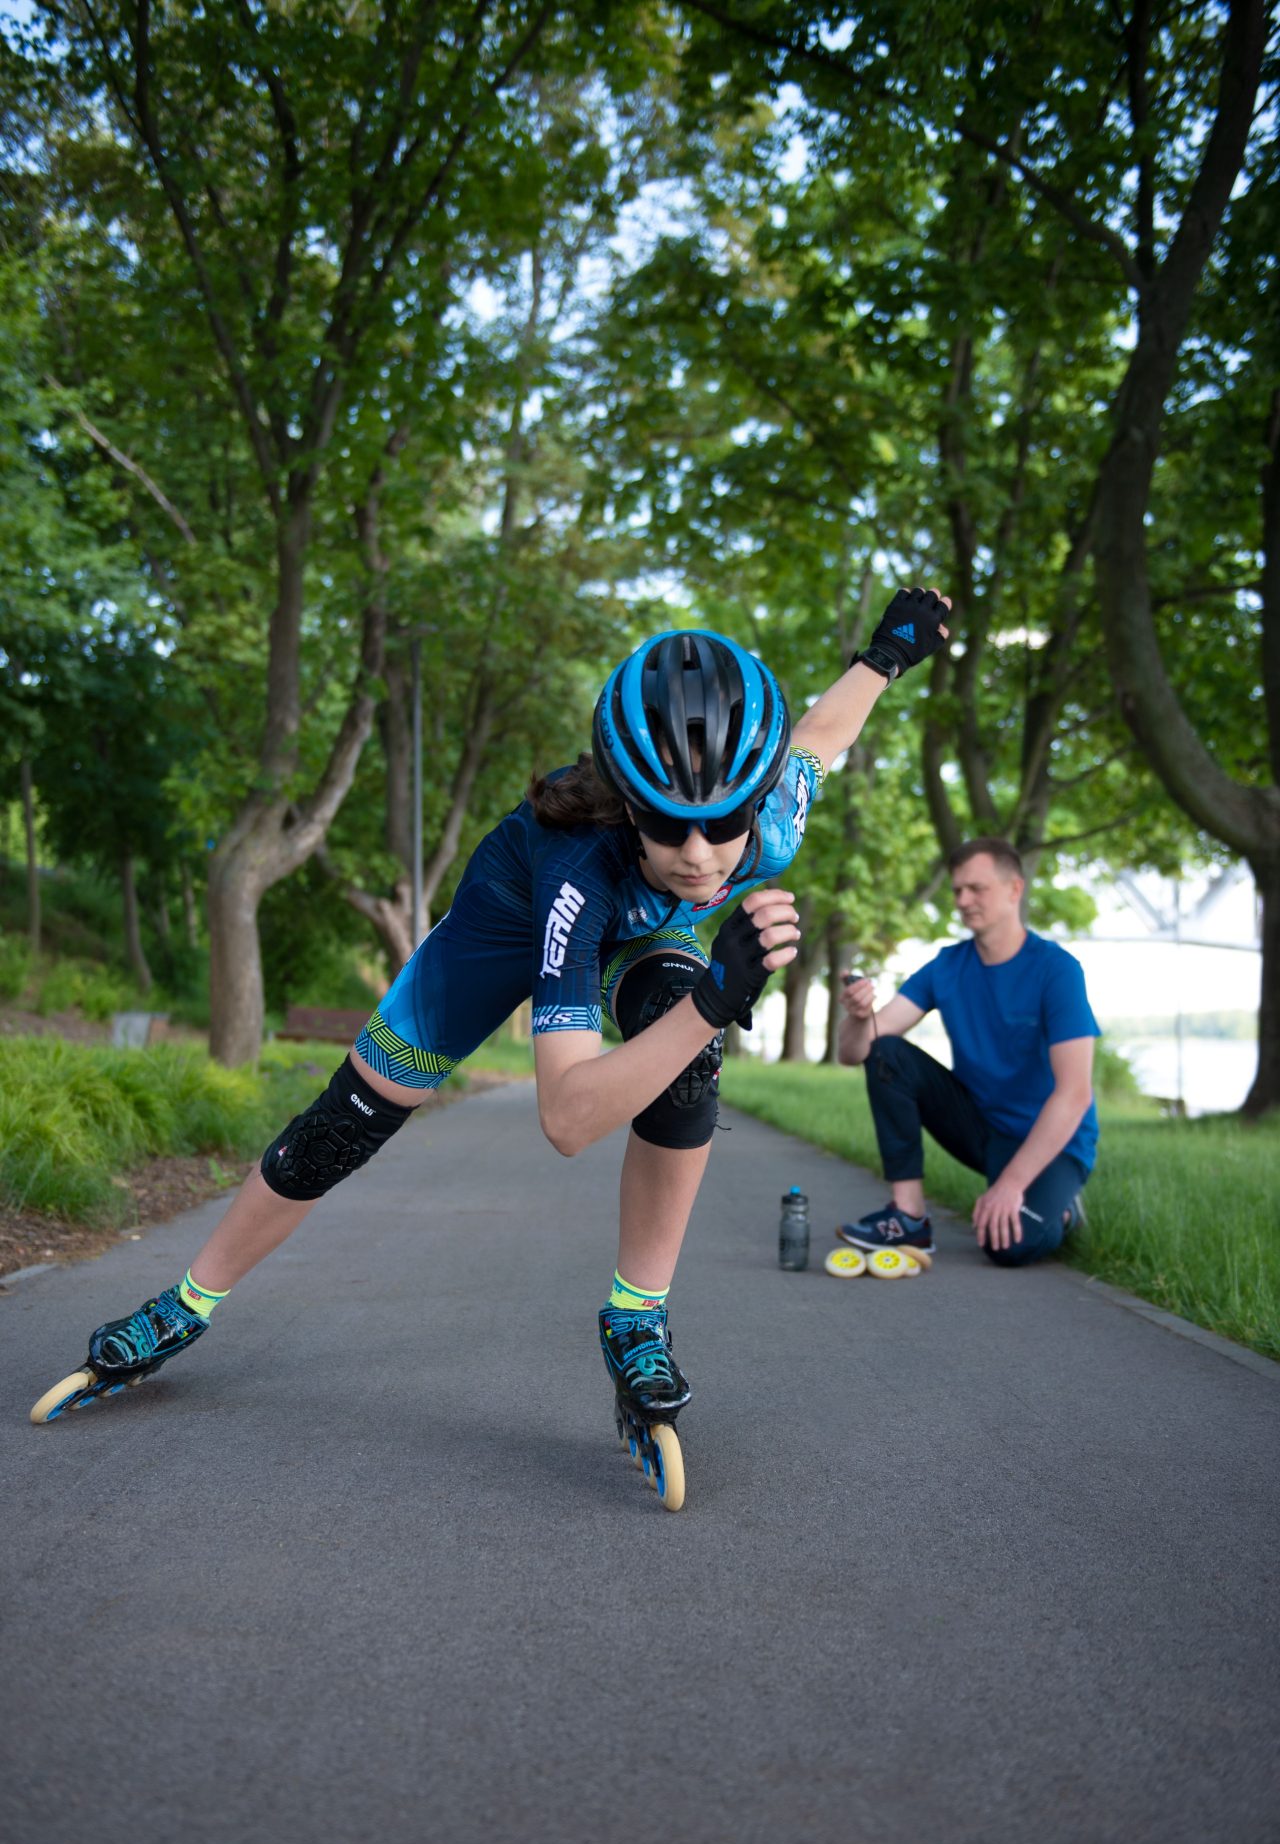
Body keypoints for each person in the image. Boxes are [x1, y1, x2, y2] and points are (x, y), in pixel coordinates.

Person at [35, 588, 951, 1447]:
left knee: (685, 1052)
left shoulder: (772, 814)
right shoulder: (578, 868)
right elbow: (567, 1119)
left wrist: (884, 653)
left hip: (640, 941)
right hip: (506, 932)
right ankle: (189, 1302)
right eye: (668, 826)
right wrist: (721, 996)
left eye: (725, 823)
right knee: (339, 1130)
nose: (702, 856)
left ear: (756, 800)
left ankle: (636, 1314)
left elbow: (821, 734)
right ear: (627, 806)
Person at [835, 838, 1098, 1267]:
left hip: (1054, 1140)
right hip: (982, 1129)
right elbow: (858, 1053)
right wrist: (861, 1017)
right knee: (888, 1052)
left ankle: (1065, 1209)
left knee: (1007, 1247)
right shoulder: (946, 966)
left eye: (977, 889)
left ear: (1015, 889)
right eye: (957, 890)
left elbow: (1075, 1094)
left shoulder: (1057, 970)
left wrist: (1010, 1185)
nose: (963, 900)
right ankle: (908, 1217)